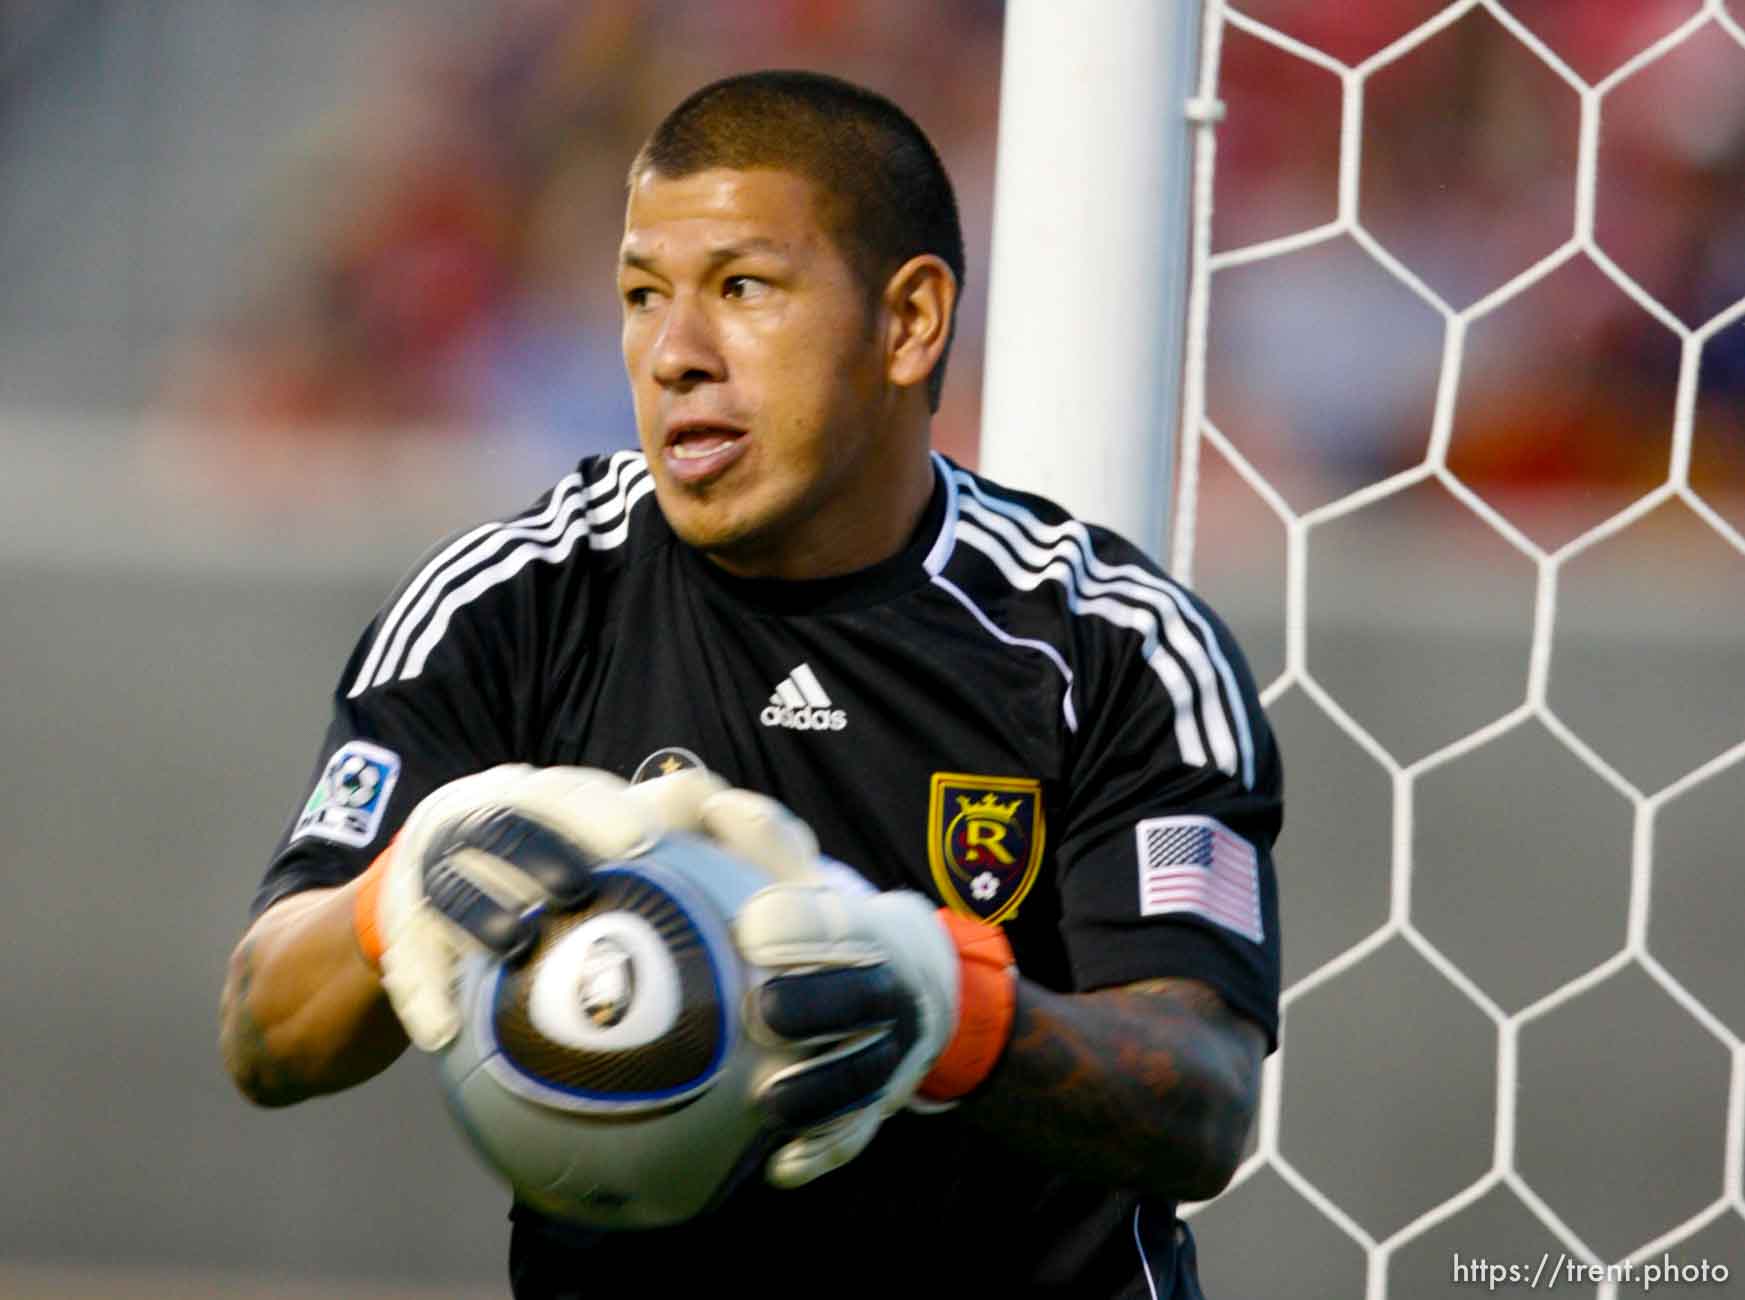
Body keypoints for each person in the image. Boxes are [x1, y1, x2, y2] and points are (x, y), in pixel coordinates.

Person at [219, 70, 1282, 1299]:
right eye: (637, 295)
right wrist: (393, 899)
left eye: (741, 288)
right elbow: (263, 1027)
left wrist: (952, 1009)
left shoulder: (1110, 643)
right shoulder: (510, 603)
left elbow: (1199, 1099)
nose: (673, 354)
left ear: (909, 323)